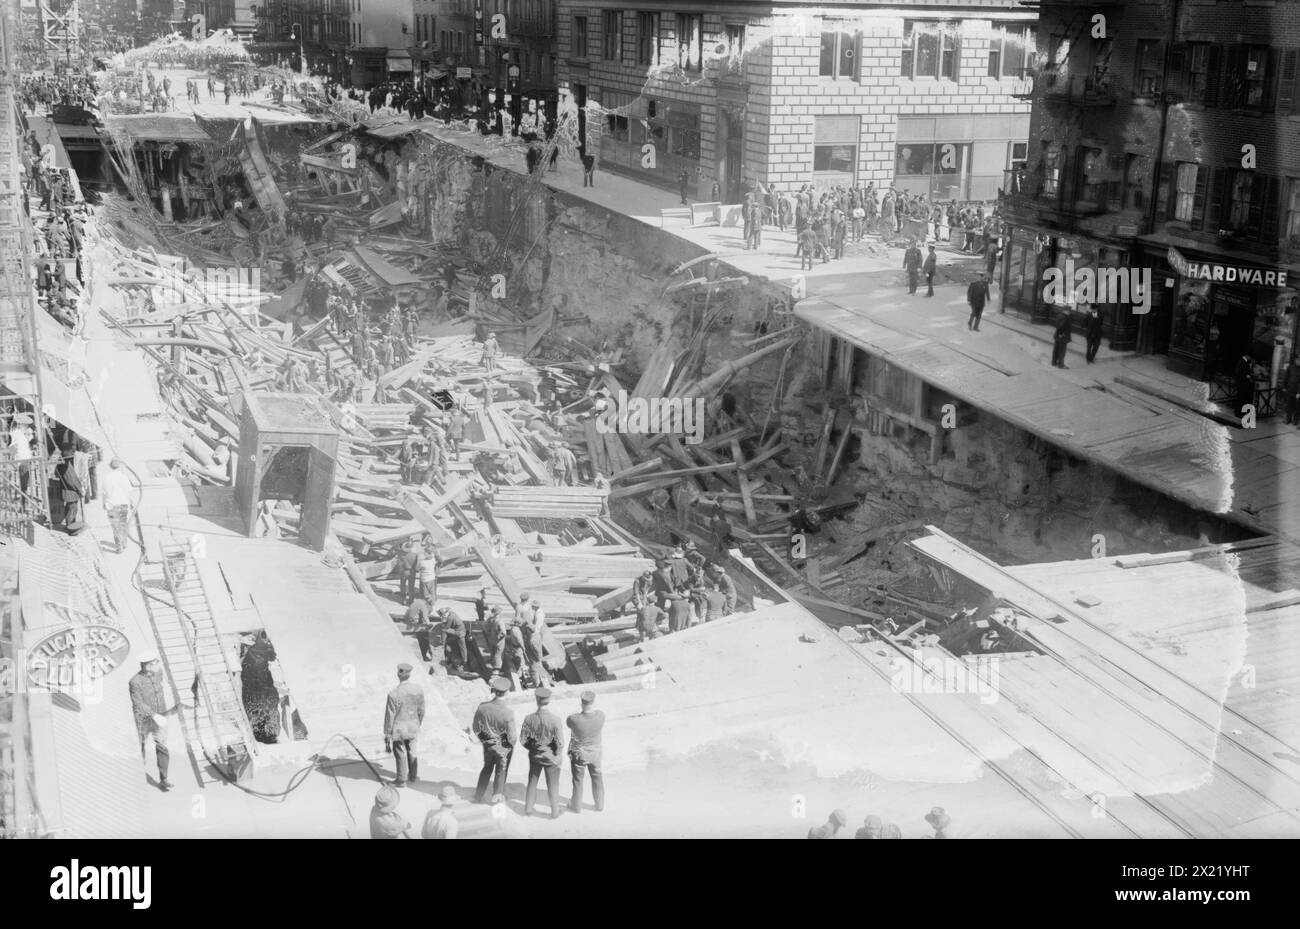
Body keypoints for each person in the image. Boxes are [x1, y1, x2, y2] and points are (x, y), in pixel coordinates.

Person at [129, 652, 174, 791]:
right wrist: (154, 715)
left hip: (161, 716)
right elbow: (138, 703)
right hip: (144, 719)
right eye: (155, 662)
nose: (158, 664)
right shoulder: (135, 681)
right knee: (141, 746)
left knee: (162, 746)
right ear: (146, 665)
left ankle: (164, 778)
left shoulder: (158, 673)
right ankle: (138, 777)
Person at [520, 686, 564, 818]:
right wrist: (556, 754)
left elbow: (522, 740)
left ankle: (528, 809)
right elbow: (560, 743)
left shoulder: (529, 718)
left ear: (536, 699)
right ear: (548, 700)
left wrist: (534, 749)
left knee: (532, 782)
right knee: (553, 785)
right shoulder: (555, 719)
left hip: (535, 756)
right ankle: (555, 812)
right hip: (550, 758)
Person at [473, 676, 517, 802]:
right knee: (501, 772)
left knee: (486, 768)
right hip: (503, 748)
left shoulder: (482, 707)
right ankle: (496, 798)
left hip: (488, 745)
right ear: (507, 692)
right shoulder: (508, 712)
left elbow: (475, 727)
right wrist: (509, 746)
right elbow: (512, 737)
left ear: (494, 691)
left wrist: (485, 740)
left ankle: (478, 796)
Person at [383, 663, 426, 787]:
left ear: (398, 674)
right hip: (413, 725)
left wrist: (387, 733)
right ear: (409, 674)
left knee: (400, 753)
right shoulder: (418, 690)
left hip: (399, 728)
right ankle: (413, 776)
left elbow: (389, 716)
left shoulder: (393, 694)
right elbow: (422, 710)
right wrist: (418, 722)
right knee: (412, 751)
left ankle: (401, 780)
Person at [566, 690, 605, 813]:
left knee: (578, 780)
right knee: (597, 778)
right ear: (593, 702)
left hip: (579, 754)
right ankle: (599, 805)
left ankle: (576, 807)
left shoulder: (574, 719)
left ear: (581, 704)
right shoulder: (601, 716)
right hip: (595, 754)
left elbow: (568, 722)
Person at [101, 458, 135, 554]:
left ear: (110, 467)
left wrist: (103, 503)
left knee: (115, 526)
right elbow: (129, 491)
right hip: (123, 504)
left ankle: (119, 546)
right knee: (123, 523)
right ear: (119, 466)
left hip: (111, 505)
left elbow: (104, 493)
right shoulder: (124, 477)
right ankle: (124, 542)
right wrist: (131, 502)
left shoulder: (107, 478)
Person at [55, 447, 85, 535]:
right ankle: (71, 529)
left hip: (67, 491)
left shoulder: (61, 464)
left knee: (71, 508)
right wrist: (80, 489)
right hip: (70, 492)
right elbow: (72, 480)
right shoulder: (67, 467)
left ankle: (71, 525)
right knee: (72, 509)